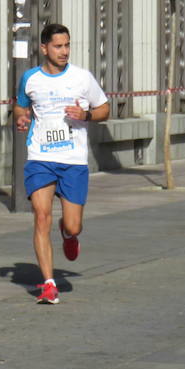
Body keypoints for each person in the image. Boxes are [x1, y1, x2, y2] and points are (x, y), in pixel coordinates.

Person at [13, 23, 109, 305]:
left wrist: (86, 115)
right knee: (40, 216)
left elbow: (104, 108)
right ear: (44, 48)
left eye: (67, 45)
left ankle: (68, 233)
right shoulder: (30, 79)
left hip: (72, 161)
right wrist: (21, 117)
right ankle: (49, 284)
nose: (64, 51)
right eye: (58, 46)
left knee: (74, 224)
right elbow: (20, 105)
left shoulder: (82, 78)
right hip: (41, 157)